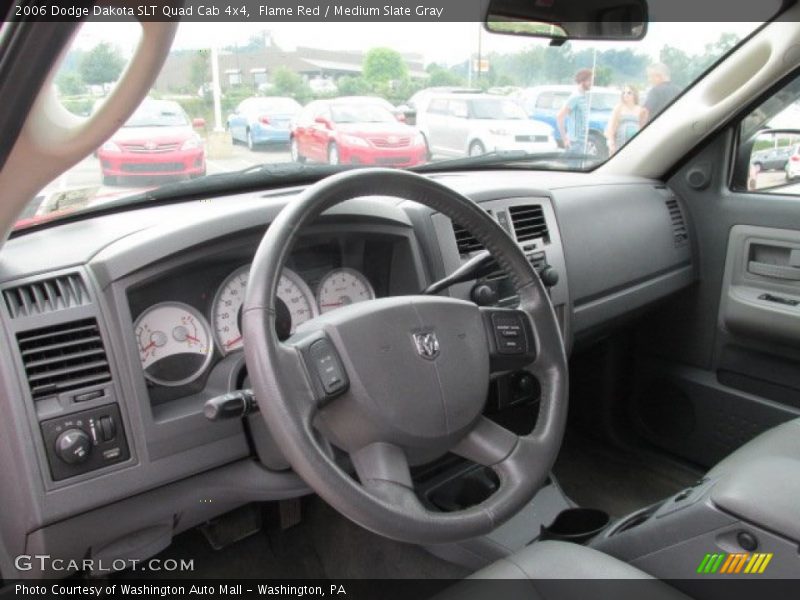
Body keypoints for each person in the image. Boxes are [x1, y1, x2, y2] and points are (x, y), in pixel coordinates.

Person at [557, 68, 593, 155]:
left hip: (582, 142)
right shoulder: (575, 97)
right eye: (589, 81)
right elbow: (559, 116)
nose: (591, 83)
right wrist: (565, 139)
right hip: (575, 143)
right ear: (582, 81)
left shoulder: (583, 96)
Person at [605, 85, 647, 154]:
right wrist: (611, 143)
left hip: (635, 145)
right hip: (620, 144)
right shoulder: (619, 108)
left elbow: (642, 127)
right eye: (624, 93)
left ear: (635, 95)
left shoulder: (640, 109)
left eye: (629, 93)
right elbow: (611, 126)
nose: (626, 95)